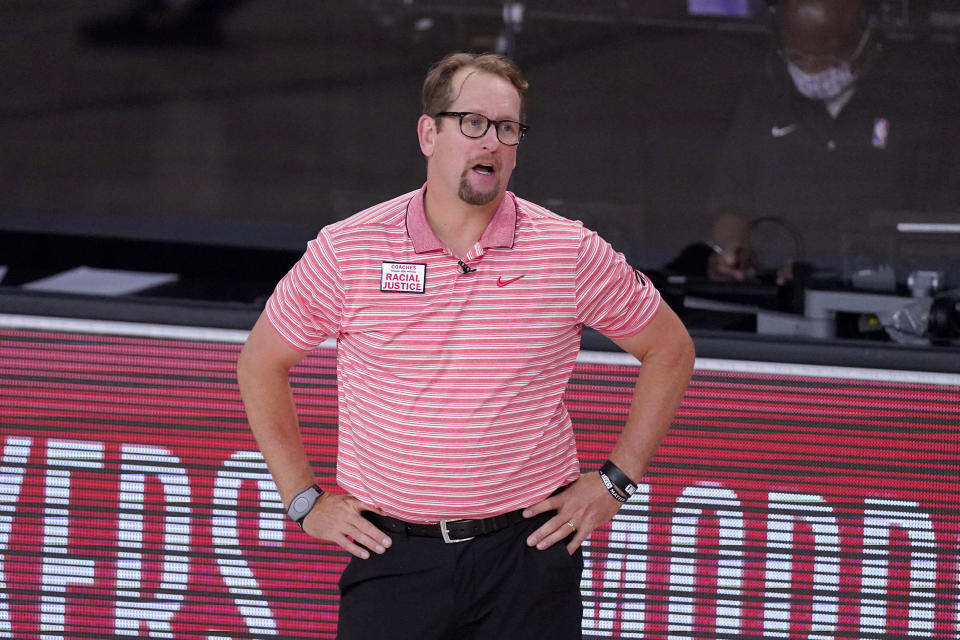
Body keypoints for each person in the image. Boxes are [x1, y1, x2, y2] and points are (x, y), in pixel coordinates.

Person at [236, 51, 695, 639]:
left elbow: (670, 349)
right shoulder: (347, 251)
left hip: (527, 556)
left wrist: (613, 483)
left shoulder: (569, 252)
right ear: (429, 133)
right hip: (393, 556)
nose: (493, 142)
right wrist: (302, 499)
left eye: (508, 128)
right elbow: (261, 363)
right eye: (473, 122)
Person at [708, 0, 960, 274]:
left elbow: (937, 225)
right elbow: (732, 201)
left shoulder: (921, 104)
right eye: (798, 57)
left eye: (828, 58)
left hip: (881, 290)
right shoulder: (763, 101)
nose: (813, 71)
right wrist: (730, 251)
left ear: (867, 38)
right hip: (774, 294)